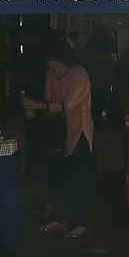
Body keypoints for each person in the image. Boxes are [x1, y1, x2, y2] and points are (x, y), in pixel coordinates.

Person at [22, 40, 93, 239]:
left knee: (81, 177)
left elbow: (68, 105)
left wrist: (40, 106)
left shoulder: (80, 74)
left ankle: (84, 223)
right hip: (60, 131)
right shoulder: (52, 73)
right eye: (53, 68)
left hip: (79, 130)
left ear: (67, 61)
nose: (57, 72)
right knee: (59, 177)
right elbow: (49, 97)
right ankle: (60, 219)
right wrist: (44, 104)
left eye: (59, 67)